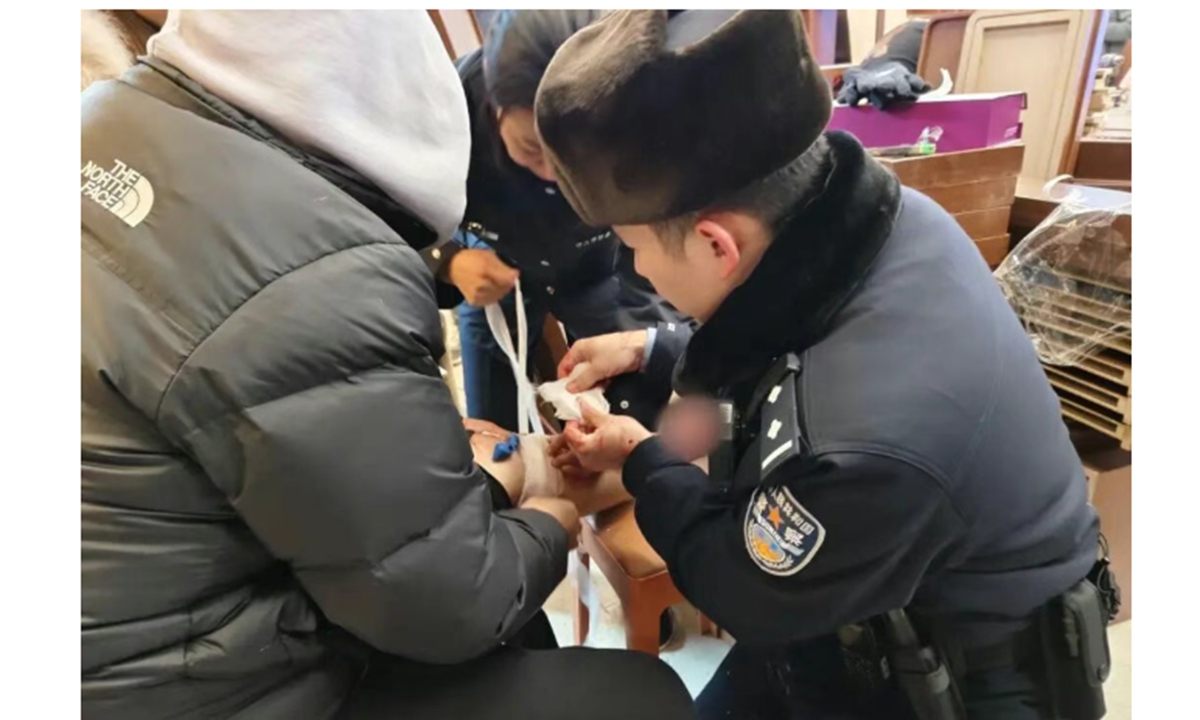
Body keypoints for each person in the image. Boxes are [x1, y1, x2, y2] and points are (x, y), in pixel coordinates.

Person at [82, 11, 694, 720]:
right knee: (630, 690)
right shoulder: (324, 274)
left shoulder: (108, 128)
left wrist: (645, 351)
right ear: (487, 111)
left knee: (501, 529)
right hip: (212, 680)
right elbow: (450, 598)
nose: (555, 177)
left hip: (157, 636)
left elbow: (369, 514)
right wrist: (552, 513)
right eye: (533, 149)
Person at [542, 10, 1112, 719]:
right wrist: (653, 352)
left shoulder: (865, 443)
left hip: (952, 681)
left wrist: (640, 458)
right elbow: (785, 355)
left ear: (718, 244)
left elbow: (739, 582)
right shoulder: (879, 222)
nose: (634, 266)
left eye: (634, 244)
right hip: (856, 606)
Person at [423, 9, 690, 434]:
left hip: (602, 266)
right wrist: (450, 260)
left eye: (573, 154)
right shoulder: (443, 110)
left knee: (643, 413)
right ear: (494, 106)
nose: (553, 173)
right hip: (499, 268)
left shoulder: (638, 105)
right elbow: (388, 220)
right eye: (531, 147)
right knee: (492, 425)